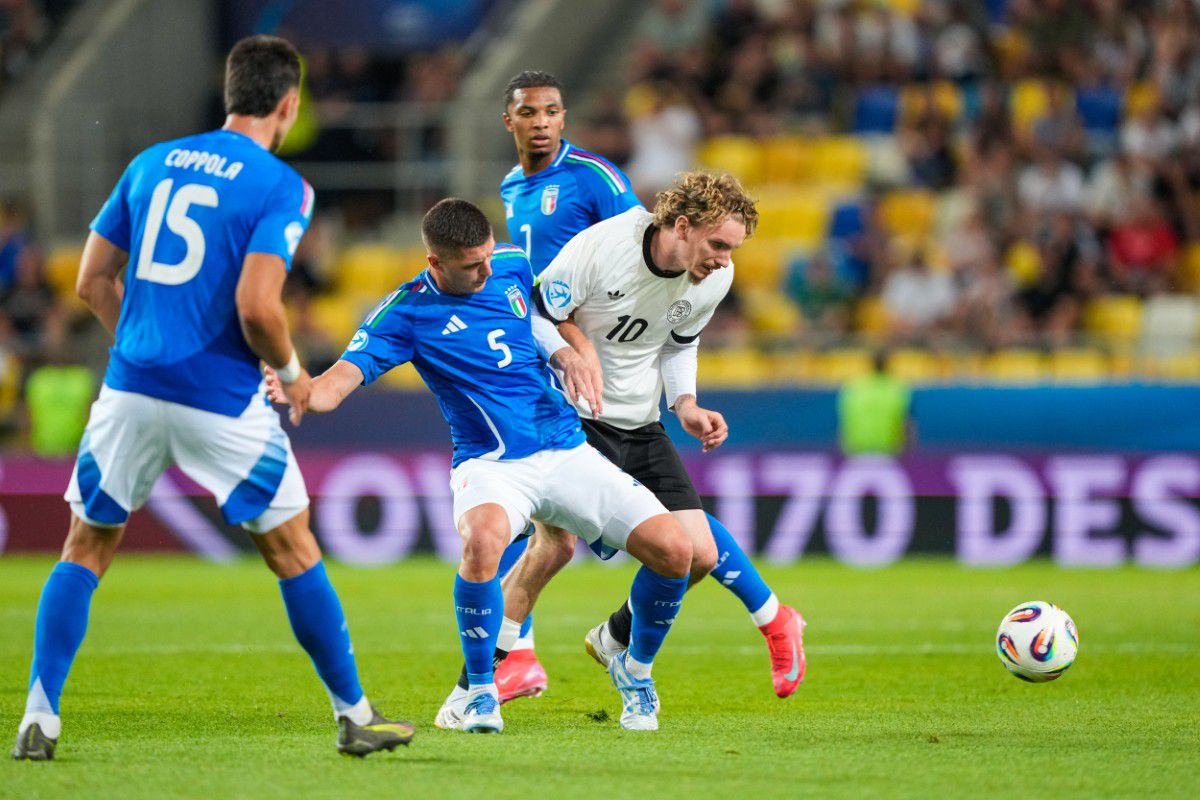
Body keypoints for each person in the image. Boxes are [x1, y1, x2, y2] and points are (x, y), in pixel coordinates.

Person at [12, 35, 413, 762]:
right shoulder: (280, 185)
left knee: (86, 547)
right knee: (293, 550)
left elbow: (92, 280)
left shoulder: (150, 163)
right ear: (288, 104)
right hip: (221, 399)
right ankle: (354, 715)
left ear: (230, 94)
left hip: (130, 389)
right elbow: (258, 306)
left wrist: (142, 343)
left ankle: (38, 714)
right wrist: (293, 373)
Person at [266, 198, 694, 733]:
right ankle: (479, 692)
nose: (487, 270)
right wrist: (298, 386)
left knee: (676, 551)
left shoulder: (511, 263)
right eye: (472, 265)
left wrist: (566, 352)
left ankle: (634, 668)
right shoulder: (404, 314)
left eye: (488, 256)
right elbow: (333, 387)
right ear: (435, 262)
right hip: (491, 464)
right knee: (484, 541)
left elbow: (545, 318)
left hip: (564, 447)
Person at [487, 72, 807, 705]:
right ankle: (497, 665)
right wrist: (572, 350)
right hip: (566, 400)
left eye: (553, 110)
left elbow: (674, 329)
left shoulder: (603, 188)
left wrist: (684, 402)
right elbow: (549, 302)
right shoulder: (529, 197)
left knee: (680, 553)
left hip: (633, 410)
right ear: (511, 121)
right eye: (530, 112)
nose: (542, 121)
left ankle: (597, 642)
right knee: (550, 540)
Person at [837, 351, 913, 456]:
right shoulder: (898, 388)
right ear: (888, 365)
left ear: (870, 365)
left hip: (857, 449)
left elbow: (843, 421)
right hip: (888, 450)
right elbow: (906, 423)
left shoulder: (853, 387)